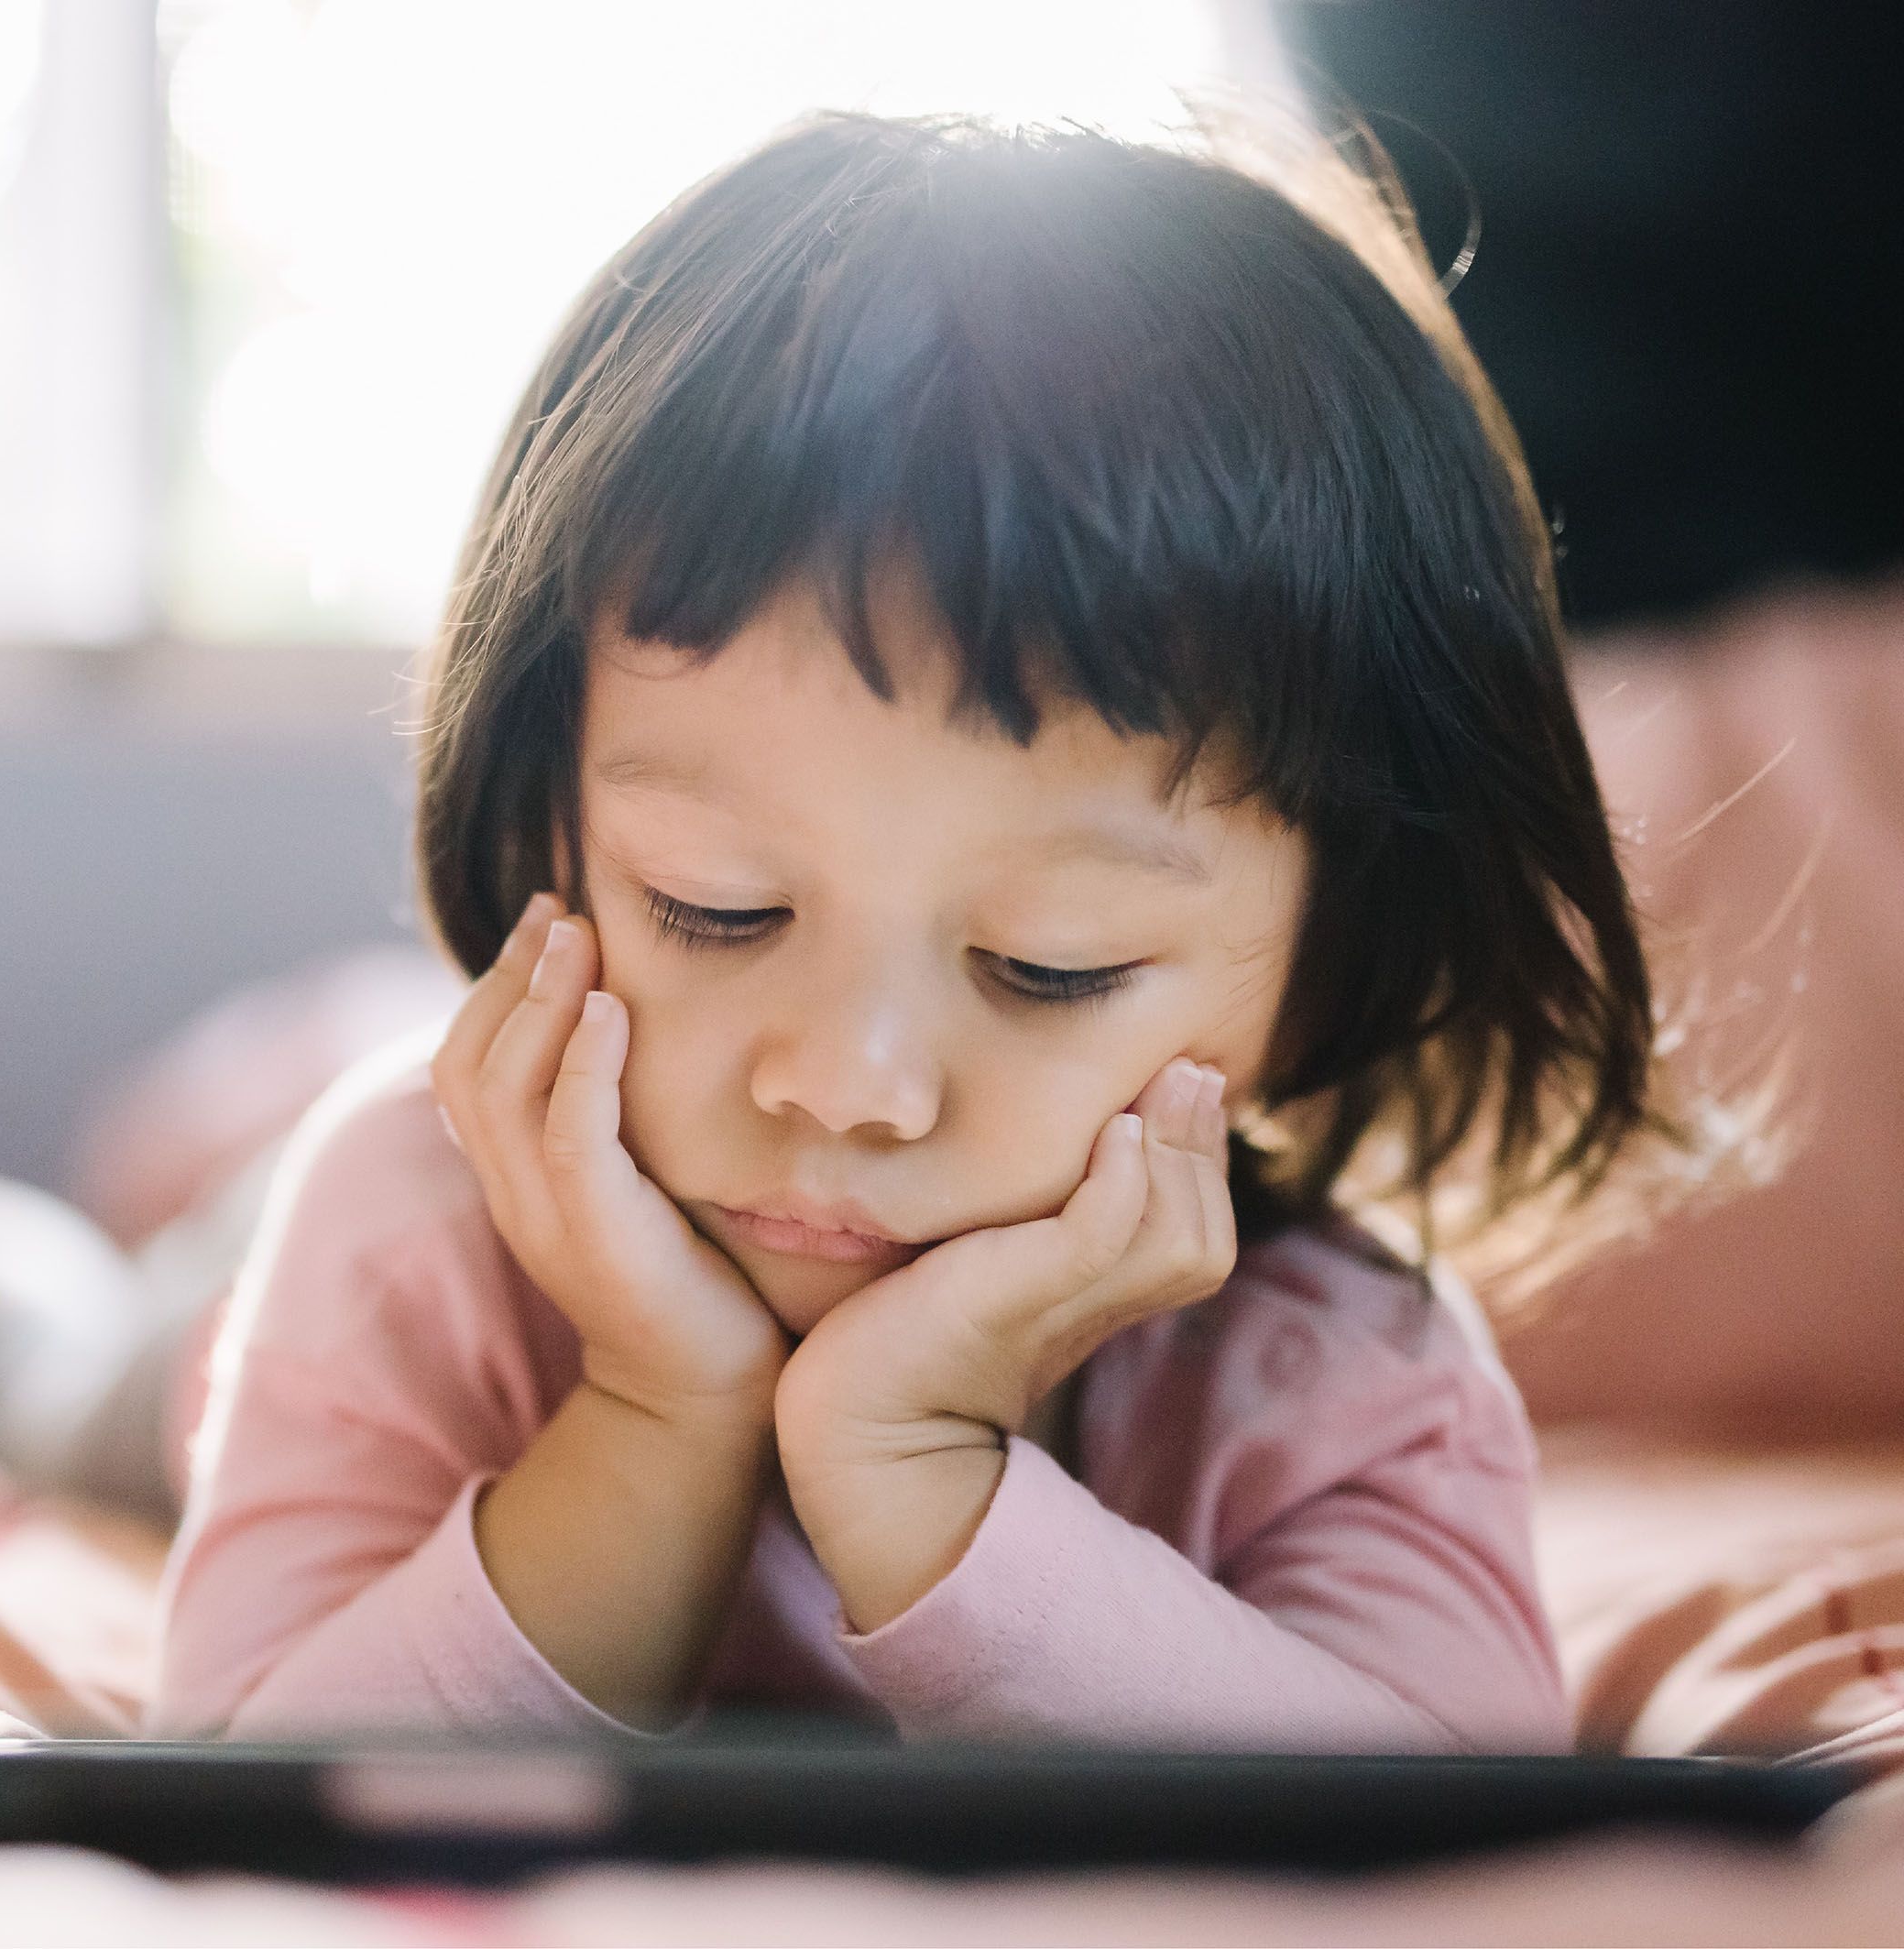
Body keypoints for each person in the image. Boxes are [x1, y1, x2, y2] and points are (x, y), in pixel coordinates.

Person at [152, 114, 1663, 1750]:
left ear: (1329, 966)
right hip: (234, 1315)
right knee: (69, 1372)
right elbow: (245, 1775)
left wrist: (916, 1466)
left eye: (1048, 968)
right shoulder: (406, 1229)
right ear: (557, 832)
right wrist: (659, 1412)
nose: (851, 1086)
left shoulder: (1345, 1387)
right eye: (715, 911)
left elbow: (1440, 1859)